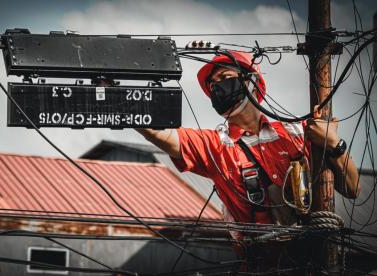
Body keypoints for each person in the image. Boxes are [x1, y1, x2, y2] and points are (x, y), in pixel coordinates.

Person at [136, 51, 360, 269]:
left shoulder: (298, 133)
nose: (217, 88)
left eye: (225, 78)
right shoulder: (216, 145)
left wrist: (334, 144)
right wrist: (119, 100)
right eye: (213, 85)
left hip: (316, 264)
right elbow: (161, 132)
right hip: (260, 266)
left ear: (251, 81)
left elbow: (352, 188)